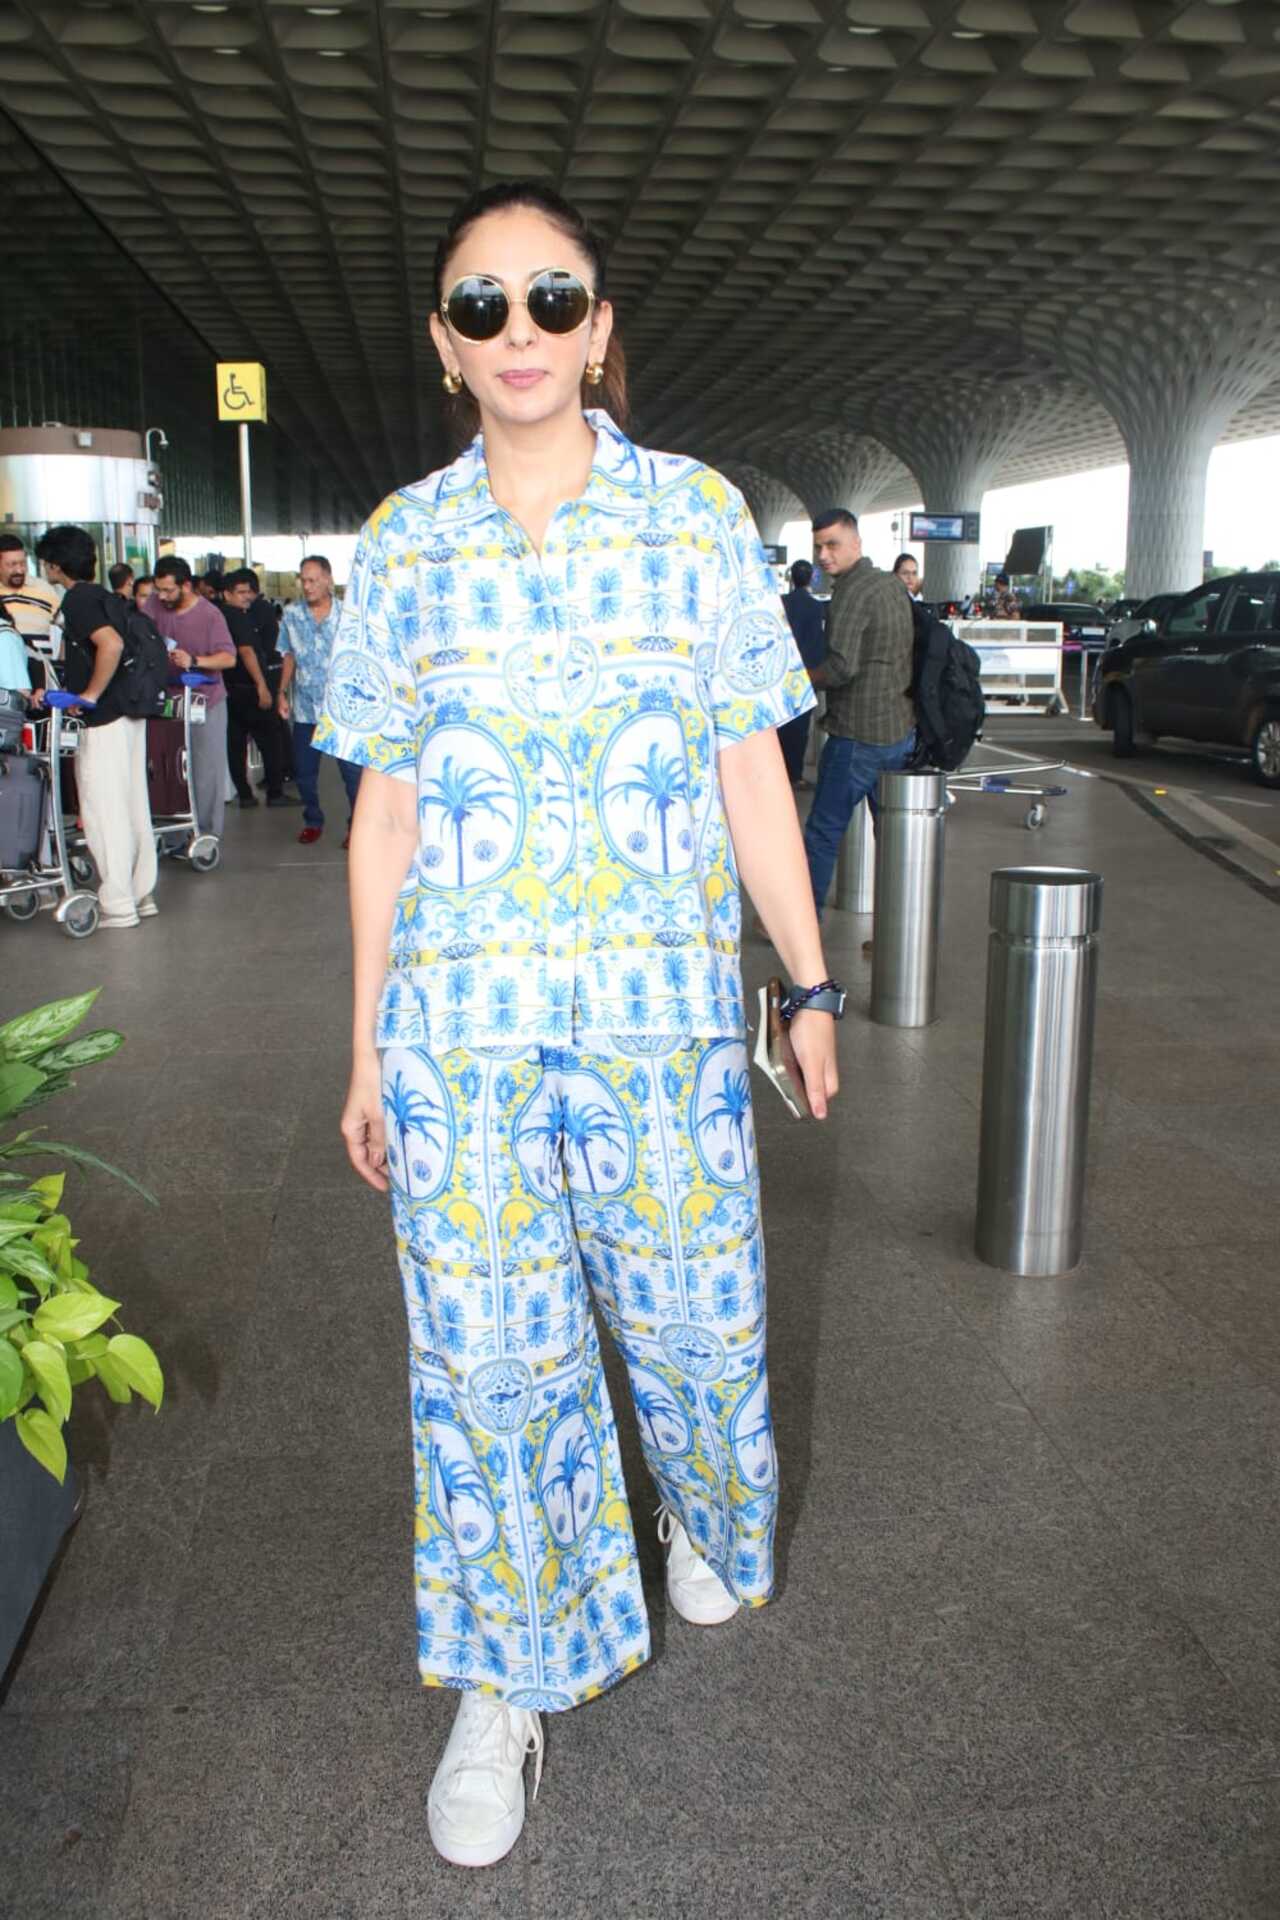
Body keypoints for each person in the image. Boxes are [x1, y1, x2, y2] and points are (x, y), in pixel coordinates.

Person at [313, 180, 842, 1872]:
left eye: (553, 300)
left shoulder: (691, 522)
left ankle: (702, 1494)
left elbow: (751, 765)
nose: (520, 332)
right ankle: (503, 1679)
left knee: (694, 1322)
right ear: (446, 348)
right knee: (487, 1365)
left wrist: (809, 981)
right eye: (483, 307)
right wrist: (360, 1046)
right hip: (460, 1036)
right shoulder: (403, 544)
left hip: (662, 1022)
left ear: (602, 328)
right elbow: (382, 818)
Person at [32, 525, 157, 929]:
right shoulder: (106, 597)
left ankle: (118, 904)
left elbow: (111, 645)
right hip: (129, 714)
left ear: (53, 565)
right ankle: (142, 893)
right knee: (133, 804)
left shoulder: (78, 600)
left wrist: (88, 694)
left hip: (103, 719)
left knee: (105, 809)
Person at [803, 507, 916, 916]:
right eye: (818, 546)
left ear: (856, 544)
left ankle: (804, 918)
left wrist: (798, 678)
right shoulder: (891, 585)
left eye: (832, 545)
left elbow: (840, 667)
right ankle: (895, 931)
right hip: (901, 730)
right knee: (894, 839)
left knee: (823, 831)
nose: (823, 555)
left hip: (858, 734)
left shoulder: (851, 592)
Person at [144, 557, 236, 846]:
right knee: (168, 769)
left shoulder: (210, 615)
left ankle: (206, 834)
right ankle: (172, 834)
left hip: (205, 700)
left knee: (205, 771)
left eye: (169, 590)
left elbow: (228, 657)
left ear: (186, 586)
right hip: (167, 702)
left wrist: (194, 661)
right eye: (159, 590)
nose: (162, 597)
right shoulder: (154, 607)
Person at [277, 554, 359, 847]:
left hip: (342, 709)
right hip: (305, 710)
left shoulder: (348, 614)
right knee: (304, 773)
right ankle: (313, 820)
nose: (307, 586)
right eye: (303, 580)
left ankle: (356, 827)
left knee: (352, 775)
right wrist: (282, 692)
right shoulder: (291, 615)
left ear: (327, 579)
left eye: (312, 580)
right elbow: (288, 655)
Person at [221, 567, 296, 810]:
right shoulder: (238, 618)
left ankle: (245, 794)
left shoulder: (219, 615)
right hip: (249, 689)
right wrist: (263, 687)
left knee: (236, 743)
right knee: (270, 740)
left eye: (249, 592)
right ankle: (274, 792)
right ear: (227, 594)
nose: (246, 597)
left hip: (229, 690)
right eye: (240, 592)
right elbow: (247, 651)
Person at [777, 557, 826, 787]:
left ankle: (777, 773)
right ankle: (794, 775)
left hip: (780, 673)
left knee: (779, 725)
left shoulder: (780, 603)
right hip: (804, 674)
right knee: (799, 729)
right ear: (811, 579)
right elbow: (817, 643)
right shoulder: (816, 607)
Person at [0, 534, 62, 646]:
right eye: (12, 565)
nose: (19, 570)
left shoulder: (45, 589)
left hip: (45, 661)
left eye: (23, 563)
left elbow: (63, 629)